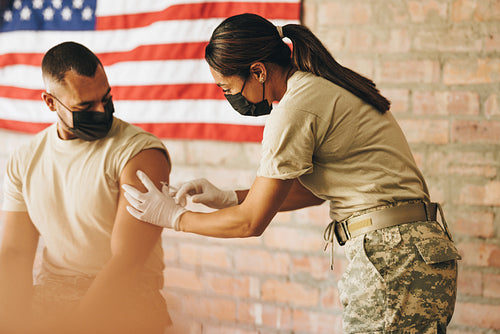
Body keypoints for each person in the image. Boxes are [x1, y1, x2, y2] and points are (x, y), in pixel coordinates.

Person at [122, 13, 461, 333]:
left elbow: (250, 222)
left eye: (226, 87)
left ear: (258, 72)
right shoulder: (319, 86)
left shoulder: (296, 107)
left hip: (393, 255)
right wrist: (229, 197)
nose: (228, 96)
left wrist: (176, 217)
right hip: (410, 249)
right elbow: (313, 191)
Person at [0, 41, 172, 334]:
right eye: (86, 106)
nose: (102, 110)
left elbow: (127, 262)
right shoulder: (25, 159)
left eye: (106, 98)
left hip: (128, 298)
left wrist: (76, 326)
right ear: (50, 102)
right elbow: (16, 251)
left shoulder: (140, 153)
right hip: (52, 290)